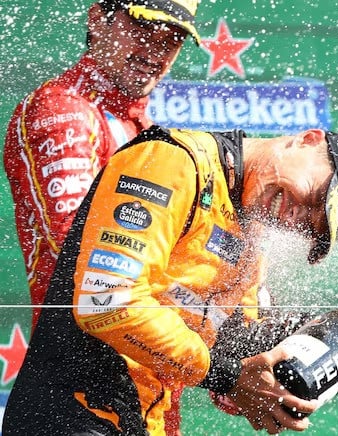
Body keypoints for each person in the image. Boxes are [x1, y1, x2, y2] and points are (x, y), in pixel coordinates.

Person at [2, 126, 338, 435]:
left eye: (313, 229)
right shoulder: (173, 161)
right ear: (305, 140)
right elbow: (107, 302)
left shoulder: (250, 237)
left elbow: (252, 363)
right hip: (70, 419)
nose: (295, 219)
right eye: (315, 199)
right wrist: (226, 374)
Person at [3, 1, 199, 433]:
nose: (157, 49)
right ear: (98, 18)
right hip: (81, 401)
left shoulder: (142, 124)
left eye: (175, 38)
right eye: (145, 28)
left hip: (140, 398)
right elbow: (94, 267)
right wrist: (211, 330)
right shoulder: (63, 111)